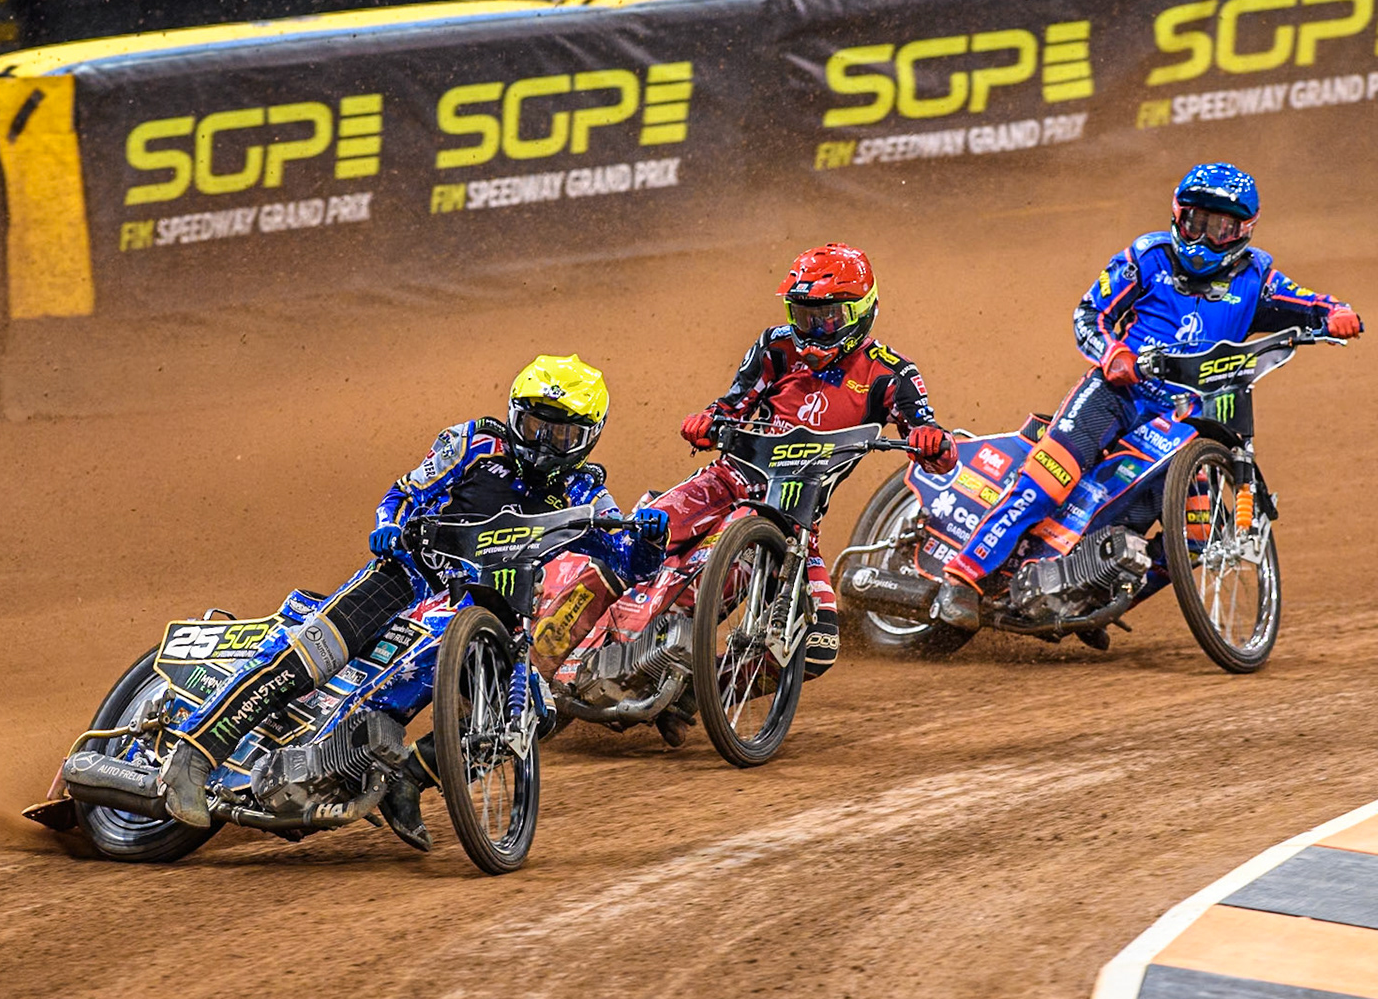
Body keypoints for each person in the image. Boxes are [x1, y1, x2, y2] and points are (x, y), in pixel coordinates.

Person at [140, 355, 668, 849]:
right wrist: (388, 526)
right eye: (534, 425)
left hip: (486, 616)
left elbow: (629, 562)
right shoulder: (474, 443)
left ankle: (409, 779)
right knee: (309, 655)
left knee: (532, 709)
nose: (543, 443)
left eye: (560, 433)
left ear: (588, 438)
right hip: (408, 575)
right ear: (514, 415)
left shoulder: (587, 494)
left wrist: (650, 537)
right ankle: (193, 755)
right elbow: (403, 492)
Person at [931, 163, 1363, 630]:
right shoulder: (1147, 256)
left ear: (1243, 231)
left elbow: (1310, 302)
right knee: (1047, 482)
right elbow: (1088, 314)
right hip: (1117, 394)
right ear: (1178, 217)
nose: (1204, 239)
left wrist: (1338, 313)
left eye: (1220, 228)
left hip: (1186, 421)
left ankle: (1089, 605)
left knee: (1198, 538)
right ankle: (963, 578)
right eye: (1196, 223)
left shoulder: (1257, 276)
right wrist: (1113, 352)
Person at [662, 244, 956, 685]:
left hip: (796, 521)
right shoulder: (775, 347)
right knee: (646, 533)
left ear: (861, 313)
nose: (815, 330)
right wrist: (707, 421)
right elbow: (731, 404)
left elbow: (934, 444)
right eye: (803, 316)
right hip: (730, 481)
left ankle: (699, 691)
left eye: (828, 318)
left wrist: (932, 443)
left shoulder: (892, 374)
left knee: (816, 648)